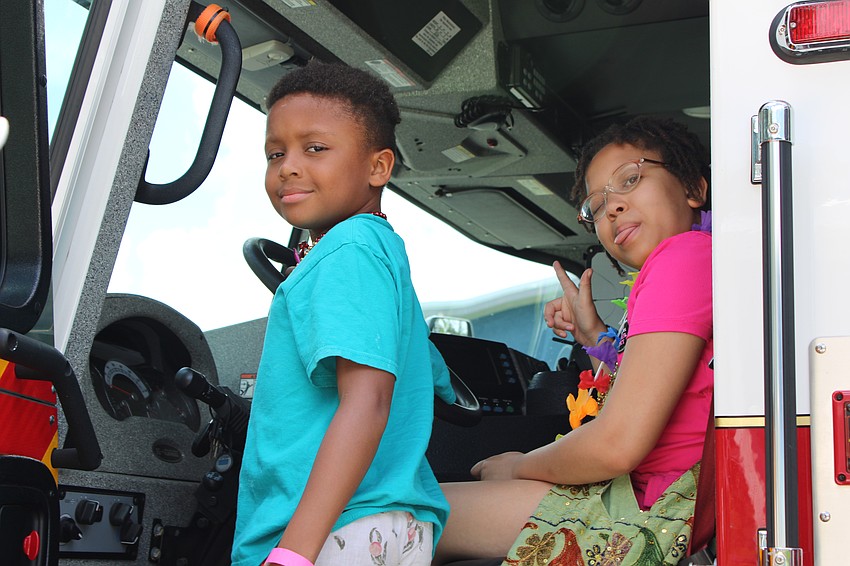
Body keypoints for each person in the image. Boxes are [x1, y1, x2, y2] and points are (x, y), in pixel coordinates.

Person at [433, 116, 713, 565]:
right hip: (651, 508)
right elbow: (665, 379)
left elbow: (617, 443)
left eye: (631, 179)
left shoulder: (682, 256)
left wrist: (517, 465)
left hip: (639, 517)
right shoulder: (696, 261)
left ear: (694, 190)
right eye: (596, 207)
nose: (613, 207)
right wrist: (595, 337)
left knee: (395, 516)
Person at [230, 61, 456, 566]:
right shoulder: (380, 251)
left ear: (378, 167)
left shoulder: (344, 251)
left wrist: (293, 553)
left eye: (315, 148)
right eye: (275, 152)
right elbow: (425, 368)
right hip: (397, 523)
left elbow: (369, 400)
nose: (288, 166)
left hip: (332, 531)